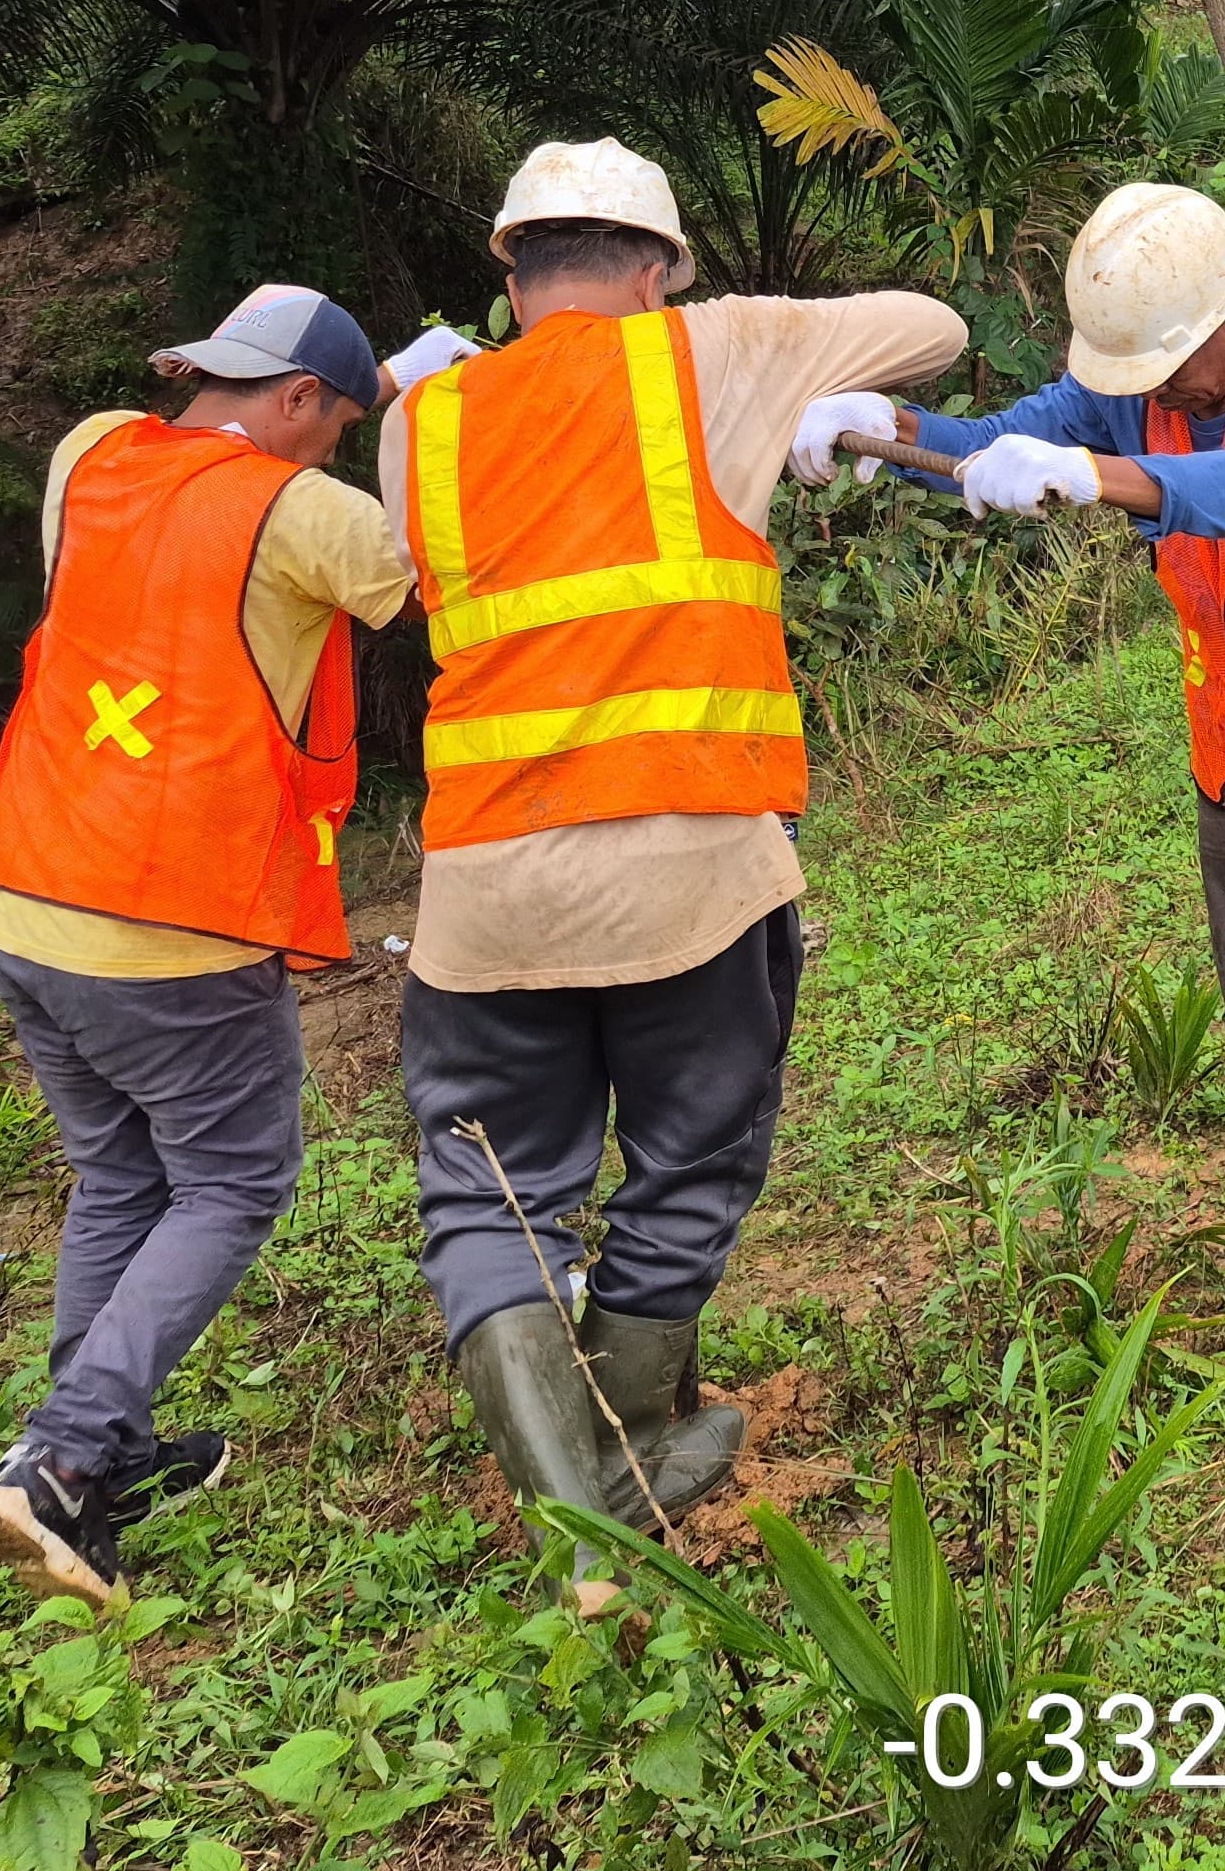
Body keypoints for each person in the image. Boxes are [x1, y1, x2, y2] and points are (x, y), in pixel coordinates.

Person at [385, 138, 962, 1595]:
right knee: (692, 1149)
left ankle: (567, 1498)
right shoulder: (712, 351)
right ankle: (619, 1476)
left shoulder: (421, 423)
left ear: (512, 276)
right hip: (688, 864)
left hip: (484, 882)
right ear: (653, 271)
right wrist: (804, 389)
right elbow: (939, 330)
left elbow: (418, 583)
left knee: (489, 1189)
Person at [794, 182, 1225, 1279]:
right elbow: (990, 441)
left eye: (1167, 367)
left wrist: (1094, 476)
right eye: (1134, 377)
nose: (1152, 391)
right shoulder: (1126, 395)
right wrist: (882, 430)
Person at [0, 283, 413, 1608]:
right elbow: (437, 579)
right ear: (297, 402)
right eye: (335, 421)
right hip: (169, 921)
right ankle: (57, 1461)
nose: (331, 444)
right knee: (230, 1183)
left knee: (118, 1175)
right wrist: (437, 410)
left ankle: (106, 1459)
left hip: (24, 899)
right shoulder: (310, 512)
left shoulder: (89, 453)